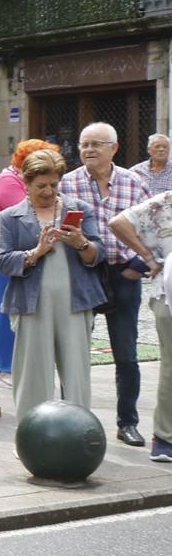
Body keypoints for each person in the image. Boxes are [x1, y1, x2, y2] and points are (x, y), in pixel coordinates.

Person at [60, 123, 150, 445]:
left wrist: (140, 265)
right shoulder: (67, 184)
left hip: (123, 274)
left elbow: (154, 226)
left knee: (125, 351)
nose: (88, 150)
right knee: (74, 350)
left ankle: (128, 422)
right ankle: (69, 419)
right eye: (84, 144)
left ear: (114, 147)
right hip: (83, 273)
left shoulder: (133, 183)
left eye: (96, 144)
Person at [0, 147, 100, 415]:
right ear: (26, 183)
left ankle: (78, 432)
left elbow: (97, 256)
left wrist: (81, 242)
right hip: (32, 304)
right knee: (33, 374)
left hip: (75, 302)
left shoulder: (80, 209)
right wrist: (35, 253)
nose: (48, 191)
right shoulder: (10, 217)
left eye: (54, 184)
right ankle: (31, 436)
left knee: (77, 373)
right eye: (41, 185)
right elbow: (3, 261)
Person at [0, 140, 60, 384]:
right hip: (3, 256)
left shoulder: (20, 180)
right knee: (7, 311)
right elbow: (29, 211)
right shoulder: (7, 182)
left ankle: (25, 362)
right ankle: (5, 366)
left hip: (30, 253)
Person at [108, 184, 172, 460]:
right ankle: (165, 438)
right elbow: (118, 222)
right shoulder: (167, 201)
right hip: (168, 294)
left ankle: (165, 439)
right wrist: (148, 257)